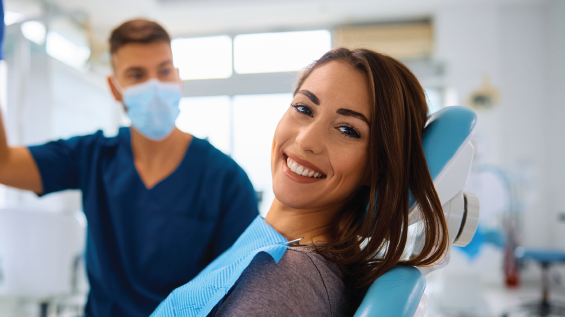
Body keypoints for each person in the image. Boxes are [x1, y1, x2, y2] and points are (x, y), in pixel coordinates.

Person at [0, 1, 260, 316]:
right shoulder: (93, 157)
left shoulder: (226, 180)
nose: (154, 86)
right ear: (115, 89)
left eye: (164, 70)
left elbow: (245, 294)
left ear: (178, 79)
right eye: (137, 75)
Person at [152, 47, 450, 316]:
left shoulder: (286, 279)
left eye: (347, 130)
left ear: (378, 168)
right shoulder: (271, 249)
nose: (306, 140)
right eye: (304, 109)